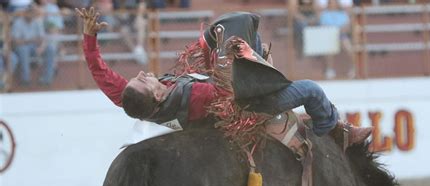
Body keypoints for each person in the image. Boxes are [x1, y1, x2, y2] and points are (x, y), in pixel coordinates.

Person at [76, 8, 371, 152]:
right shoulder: (194, 98)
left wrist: (90, 37)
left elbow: (103, 75)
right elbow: (230, 92)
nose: (140, 75)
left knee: (245, 32)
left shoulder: (136, 100)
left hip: (231, 96)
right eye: (144, 81)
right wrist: (254, 63)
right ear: (155, 95)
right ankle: (331, 131)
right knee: (310, 89)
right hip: (249, 104)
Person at [11, 4, 57, 85]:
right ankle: (25, 79)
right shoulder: (18, 22)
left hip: (35, 46)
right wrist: (32, 40)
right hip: (22, 47)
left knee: (50, 49)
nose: (31, 14)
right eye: (29, 12)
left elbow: (42, 38)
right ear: (25, 12)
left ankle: (47, 79)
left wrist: (42, 47)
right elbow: (16, 41)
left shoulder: (37, 21)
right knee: (23, 49)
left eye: (32, 12)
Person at [318, 0, 355, 79]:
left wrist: (338, 31)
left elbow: (347, 27)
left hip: (341, 36)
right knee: (329, 48)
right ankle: (329, 70)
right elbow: (323, 26)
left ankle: (353, 68)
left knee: (349, 48)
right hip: (329, 36)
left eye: (334, 3)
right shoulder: (324, 14)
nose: (332, 5)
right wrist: (333, 32)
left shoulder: (343, 14)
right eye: (331, 3)